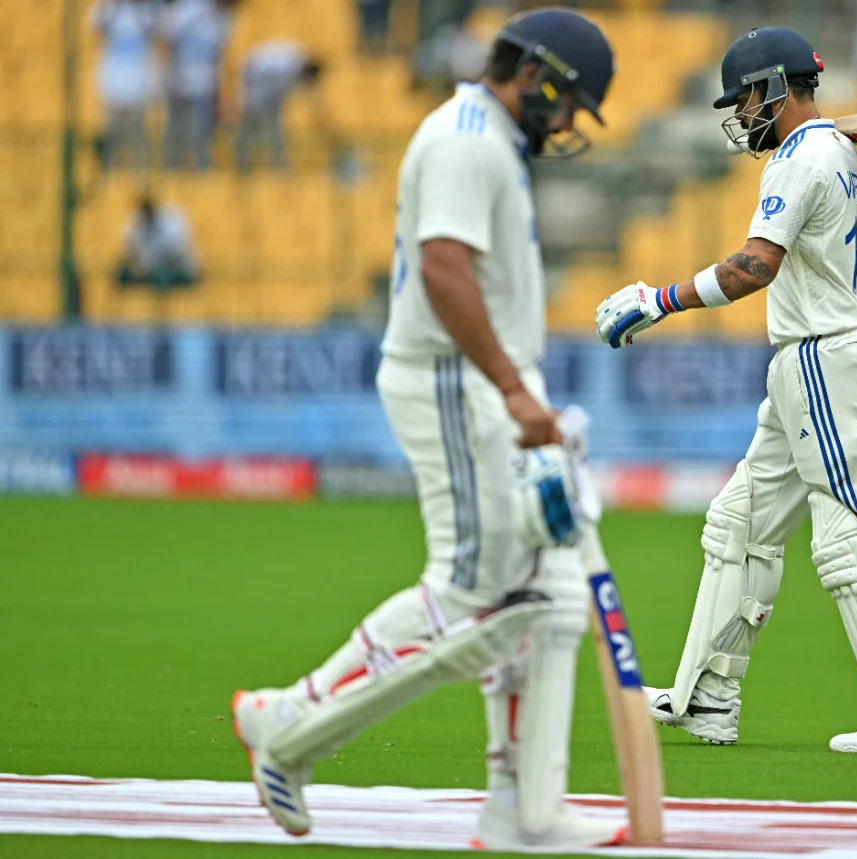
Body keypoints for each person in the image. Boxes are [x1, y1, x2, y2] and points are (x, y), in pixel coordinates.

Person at [230, 8, 624, 848]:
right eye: (567, 102)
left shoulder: (488, 141)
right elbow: (444, 268)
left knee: (547, 596)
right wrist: (514, 392)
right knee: (479, 593)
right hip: (452, 379)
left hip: (479, 381)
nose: (564, 123)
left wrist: (526, 391)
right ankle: (289, 727)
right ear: (541, 76)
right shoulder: (464, 138)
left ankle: (523, 809)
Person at [594, 27, 857, 755]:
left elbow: (755, 266)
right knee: (741, 524)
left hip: (822, 359)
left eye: (747, 97)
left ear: (773, 87)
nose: (742, 113)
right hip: (810, 360)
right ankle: (708, 697)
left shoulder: (802, 158)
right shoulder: (847, 155)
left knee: (850, 538)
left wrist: (659, 298)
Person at [159, 0, 237, 170]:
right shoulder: (186, 11)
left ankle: (200, 171)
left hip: (203, 83)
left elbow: (218, 54)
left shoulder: (220, 20)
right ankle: (173, 168)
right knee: (177, 128)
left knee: (201, 131)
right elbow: (168, 39)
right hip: (180, 80)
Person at [235, 40, 325, 172]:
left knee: (275, 127)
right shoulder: (291, 62)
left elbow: (293, 90)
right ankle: (243, 161)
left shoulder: (296, 66)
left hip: (269, 90)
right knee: (249, 125)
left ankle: (278, 163)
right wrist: (251, 98)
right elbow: (257, 70)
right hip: (254, 82)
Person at [91, 0, 161, 170]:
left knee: (138, 138)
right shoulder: (111, 11)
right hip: (114, 86)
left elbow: (158, 27)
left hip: (137, 87)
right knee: (112, 135)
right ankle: (109, 174)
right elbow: (93, 22)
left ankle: (140, 175)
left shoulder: (146, 12)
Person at [115, 194, 200, 289]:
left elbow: (179, 253)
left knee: (161, 279)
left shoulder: (171, 224)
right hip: (149, 271)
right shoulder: (136, 226)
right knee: (122, 274)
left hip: (177, 269)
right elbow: (130, 253)